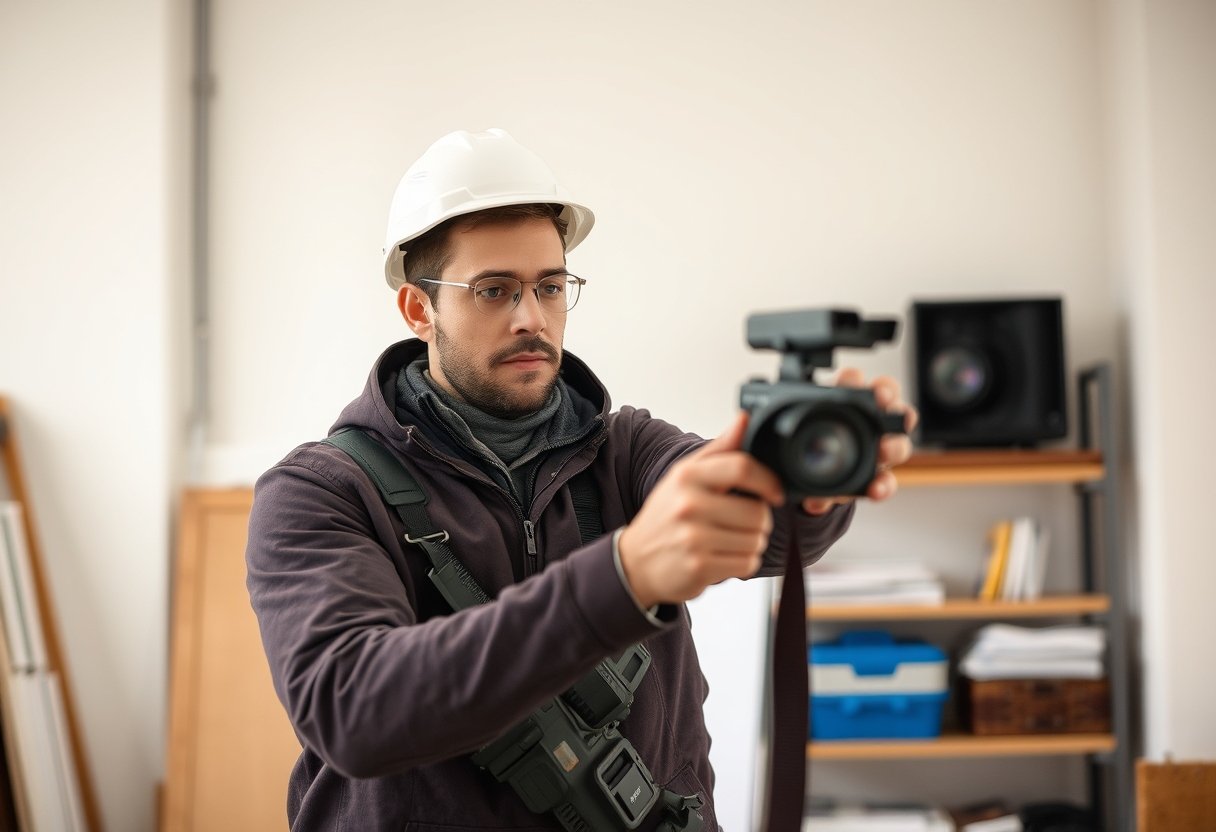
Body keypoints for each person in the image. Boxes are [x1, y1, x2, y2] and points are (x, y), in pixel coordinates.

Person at [246, 128, 915, 832]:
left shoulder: (624, 450)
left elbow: (759, 526)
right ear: (419, 310)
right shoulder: (320, 493)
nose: (531, 318)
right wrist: (621, 579)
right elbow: (356, 712)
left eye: (550, 286)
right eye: (493, 290)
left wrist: (810, 488)